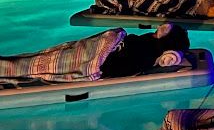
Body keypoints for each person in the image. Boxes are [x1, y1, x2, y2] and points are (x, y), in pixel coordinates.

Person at [0, 25, 190, 86]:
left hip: (95, 60)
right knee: (36, 57)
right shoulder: (147, 40)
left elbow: (115, 68)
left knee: (32, 65)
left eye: (167, 28)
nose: (163, 25)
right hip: (91, 49)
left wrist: (98, 63)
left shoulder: (147, 54)